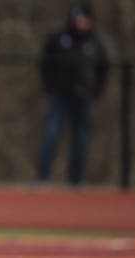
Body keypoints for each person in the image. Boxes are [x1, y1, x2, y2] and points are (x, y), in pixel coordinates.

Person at [36, 1, 109, 186]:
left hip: (83, 96)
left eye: (84, 20)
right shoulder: (58, 39)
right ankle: (42, 177)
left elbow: (104, 69)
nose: (81, 24)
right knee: (51, 134)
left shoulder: (95, 42)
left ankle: (76, 181)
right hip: (60, 96)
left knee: (81, 139)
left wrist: (96, 91)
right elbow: (44, 63)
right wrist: (50, 86)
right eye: (77, 19)